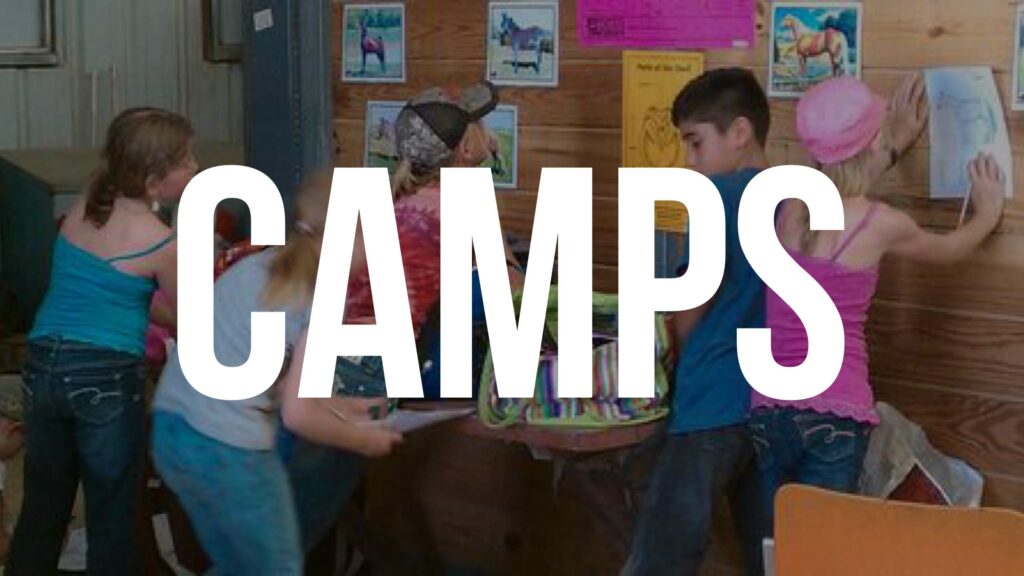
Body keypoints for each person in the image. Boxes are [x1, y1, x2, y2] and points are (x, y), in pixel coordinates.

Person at [748, 75, 1005, 537]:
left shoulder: (787, 208)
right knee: (825, 551)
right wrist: (985, 215)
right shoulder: (880, 223)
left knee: (779, 546)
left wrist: (891, 147)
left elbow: (840, 188)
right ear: (872, 140)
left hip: (769, 409)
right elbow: (947, 252)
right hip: (835, 413)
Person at [283, 81, 526, 556]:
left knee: (293, 518)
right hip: (367, 368)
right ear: (466, 147)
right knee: (289, 538)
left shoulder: (399, 203)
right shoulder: (465, 204)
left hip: (321, 354)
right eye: (479, 129)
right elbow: (512, 292)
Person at [150, 172, 403, 575]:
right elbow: (298, 415)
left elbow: (283, 382)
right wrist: (362, 440)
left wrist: (346, 408)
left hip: (175, 432)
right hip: (228, 447)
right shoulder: (320, 293)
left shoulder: (262, 267)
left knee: (242, 566)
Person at [10, 107, 194, 575]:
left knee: (44, 502)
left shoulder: (94, 192)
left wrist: (152, 307)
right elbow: (194, 319)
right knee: (112, 510)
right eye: (186, 160)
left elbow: (115, 286)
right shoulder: (162, 242)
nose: (196, 167)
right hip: (106, 376)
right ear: (154, 182)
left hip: (43, 365)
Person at [622, 67, 772, 576]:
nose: (689, 161)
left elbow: (689, 309)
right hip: (771, 406)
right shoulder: (790, 200)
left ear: (739, 132)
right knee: (769, 555)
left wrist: (670, 357)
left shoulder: (716, 202)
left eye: (695, 142)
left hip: (710, 400)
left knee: (661, 558)